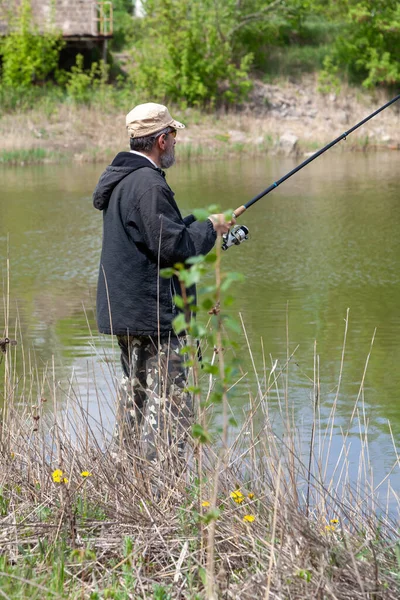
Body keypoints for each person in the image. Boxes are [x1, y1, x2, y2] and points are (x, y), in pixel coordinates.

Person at [92, 102, 233, 465]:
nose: (176, 142)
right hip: (155, 317)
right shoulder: (147, 183)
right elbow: (175, 247)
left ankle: (126, 481)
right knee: (173, 410)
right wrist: (211, 229)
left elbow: (151, 237)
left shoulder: (124, 179)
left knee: (135, 402)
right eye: (173, 135)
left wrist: (195, 223)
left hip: (129, 312)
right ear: (161, 140)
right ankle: (162, 494)